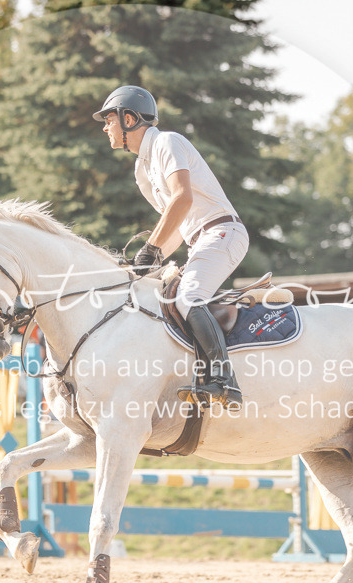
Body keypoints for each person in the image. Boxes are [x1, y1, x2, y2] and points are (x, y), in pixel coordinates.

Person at [94, 85, 248, 409]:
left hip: (224, 231)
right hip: (199, 239)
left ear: (130, 118)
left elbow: (183, 198)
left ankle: (224, 380)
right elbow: (176, 221)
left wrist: (151, 246)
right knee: (160, 297)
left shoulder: (167, 142)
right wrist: (153, 257)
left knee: (187, 296)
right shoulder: (142, 170)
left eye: (109, 119)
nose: (105, 127)